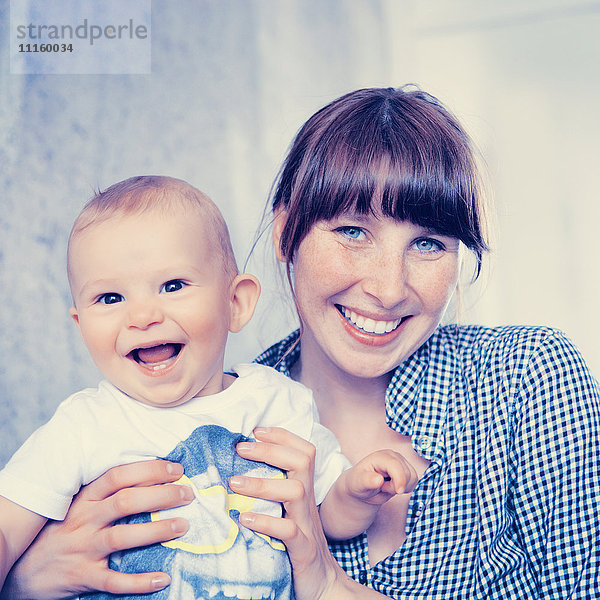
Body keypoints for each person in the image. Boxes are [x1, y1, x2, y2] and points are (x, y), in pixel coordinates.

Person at [3, 86, 599, 599]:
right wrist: (26, 581)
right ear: (287, 233)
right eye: (351, 231)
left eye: (429, 244)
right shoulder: (196, 423)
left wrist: (327, 586)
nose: (388, 289)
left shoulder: (528, 376)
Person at [0, 175, 416, 600]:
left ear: (235, 303)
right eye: (109, 298)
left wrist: (359, 492)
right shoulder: (84, 425)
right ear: (81, 325)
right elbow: (6, 531)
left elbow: (328, 519)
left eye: (172, 286)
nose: (142, 316)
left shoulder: (275, 402)